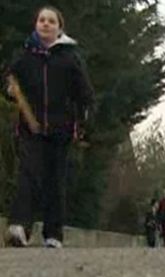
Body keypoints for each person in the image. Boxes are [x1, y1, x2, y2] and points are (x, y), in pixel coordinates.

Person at [5, 6, 94, 248]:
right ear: (36, 25)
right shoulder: (24, 56)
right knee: (28, 175)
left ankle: (53, 234)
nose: (45, 24)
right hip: (30, 128)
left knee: (55, 181)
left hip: (61, 128)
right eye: (42, 20)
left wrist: (83, 122)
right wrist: (11, 91)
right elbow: (11, 82)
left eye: (51, 21)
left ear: (59, 28)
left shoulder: (70, 58)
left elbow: (84, 93)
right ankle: (18, 228)